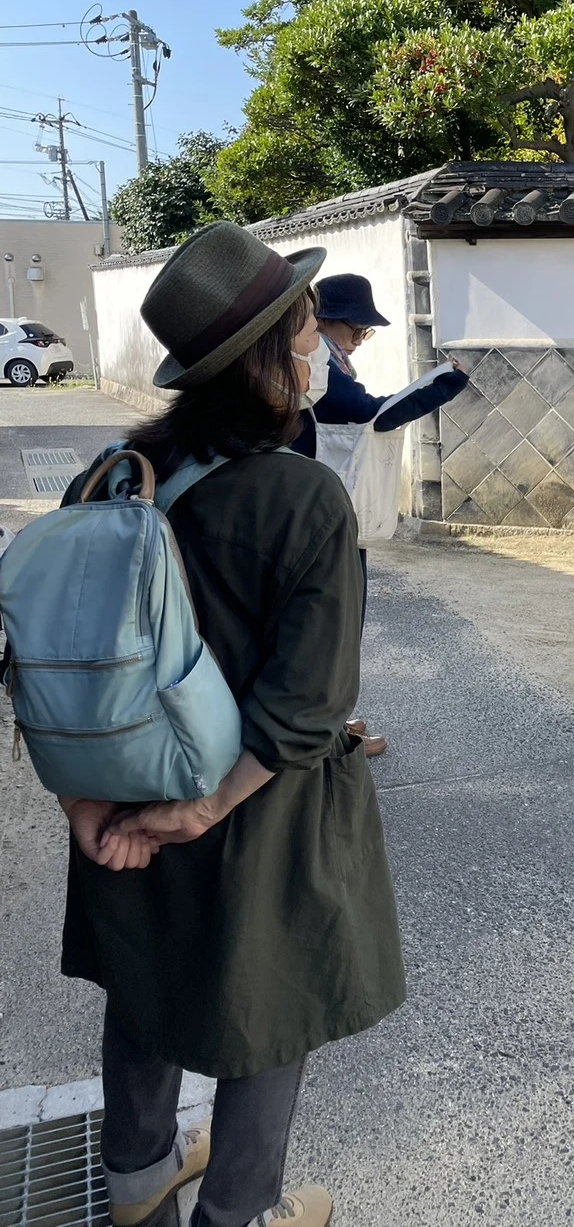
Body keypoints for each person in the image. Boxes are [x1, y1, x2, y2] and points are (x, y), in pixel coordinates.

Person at [58, 222, 405, 1227]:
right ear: (268, 358)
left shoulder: (112, 475)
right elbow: (310, 702)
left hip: (122, 790)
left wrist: (86, 802)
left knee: (144, 976)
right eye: (306, 329)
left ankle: (137, 1178)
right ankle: (240, 1209)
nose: (318, 348)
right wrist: (207, 805)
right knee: (269, 1005)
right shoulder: (303, 498)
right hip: (259, 807)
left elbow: (49, 663)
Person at [292, 272, 468, 757]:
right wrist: (444, 382)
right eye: (356, 329)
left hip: (323, 503)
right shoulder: (320, 364)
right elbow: (374, 413)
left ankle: (332, 720)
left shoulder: (328, 360)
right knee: (335, 621)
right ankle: (328, 735)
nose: (358, 340)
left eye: (363, 332)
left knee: (337, 620)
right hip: (323, 510)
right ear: (325, 322)